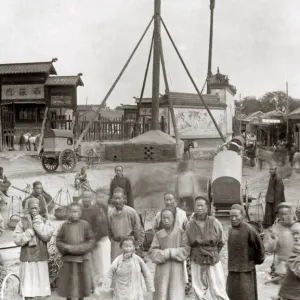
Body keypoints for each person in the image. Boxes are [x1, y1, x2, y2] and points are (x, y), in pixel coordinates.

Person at [185, 197, 229, 300]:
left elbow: (222, 241)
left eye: (201, 206)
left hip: (213, 258)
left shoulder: (214, 222)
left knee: (218, 288)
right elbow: (186, 243)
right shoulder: (189, 224)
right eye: (197, 206)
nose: (199, 208)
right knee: (198, 289)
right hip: (196, 260)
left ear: (207, 207)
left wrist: (213, 253)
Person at [12, 198, 54, 300]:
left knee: (41, 276)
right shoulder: (22, 222)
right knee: (29, 275)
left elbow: (47, 236)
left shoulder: (45, 221)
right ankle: (28, 294)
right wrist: (27, 233)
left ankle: (41, 294)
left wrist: (38, 225)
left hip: (41, 254)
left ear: (39, 209)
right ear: (28, 209)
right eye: (32, 208)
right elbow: (16, 239)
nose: (34, 210)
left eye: (36, 208)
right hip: (27, 255)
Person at [56, 203, 95, 300]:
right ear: (68, 213)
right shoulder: (65, 225)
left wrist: (78, 249)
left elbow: (90, 241)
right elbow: (59, 240)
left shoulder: (85, 224)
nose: (74, 214)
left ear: (80, 213)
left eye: (76, 212)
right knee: (69, 284)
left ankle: (81, 297)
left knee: (81, 283)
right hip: (69, 259)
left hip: (82, 259)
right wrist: (66, 247)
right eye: (72, 212)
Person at [149, 208, 190, 300]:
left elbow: (186, 250)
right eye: (164, 218)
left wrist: (172, 252)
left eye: (168, 218)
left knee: (176, 292)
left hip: (177, 268)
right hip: (162, 269)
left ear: (174, 219)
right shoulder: (158, 234)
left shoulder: (181, 232)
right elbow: (152, 252)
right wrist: (165, 254)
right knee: (161, 292)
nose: (166, 220)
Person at [227, 204, 265, 300]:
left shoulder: (249, 230)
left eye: (236, 216)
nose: (234, 219)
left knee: (246, 295)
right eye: (231, 216)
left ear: (242, 216)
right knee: (232, 294)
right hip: (232, 269)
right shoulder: (230, 230)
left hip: (246, 270)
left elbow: (260, 248)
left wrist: (253, 261)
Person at [80, 190, 109, 295]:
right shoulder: (80, 210)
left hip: (95, 242)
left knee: (97, 265)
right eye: (84, 197)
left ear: (92, 198)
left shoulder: (96, 210)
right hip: (83, 243)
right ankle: (89, 286)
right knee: (86, 265)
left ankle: (97, 286)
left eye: (88, 197)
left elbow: (100, 227)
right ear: (82, 198)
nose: (86, 199)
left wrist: (94, 240)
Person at [108, 187, 144, 261]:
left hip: (129, 244)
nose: (117, 201)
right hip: (116, 245)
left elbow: (138, 229)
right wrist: (114, 238)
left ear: (124, 199)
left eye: (119, 198)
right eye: (115, 198)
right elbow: (108, 230)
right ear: (112, 200)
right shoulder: (110, 213)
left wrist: (136, 244)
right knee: (116, 265)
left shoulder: (131, 212)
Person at [264, 203, 295, 277]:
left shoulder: (297, 228)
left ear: (291, 214)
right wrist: (273, 242)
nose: (283, 216)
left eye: (286, 213)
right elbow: (269, 249)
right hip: (281, 267)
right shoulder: (275, 229)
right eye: (281, 214)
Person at [277, 221, 300, 300]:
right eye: (293, 233)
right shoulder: (294, 248)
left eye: (298, 233)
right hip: (289, 293)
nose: (295, 236)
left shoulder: (296, 250)